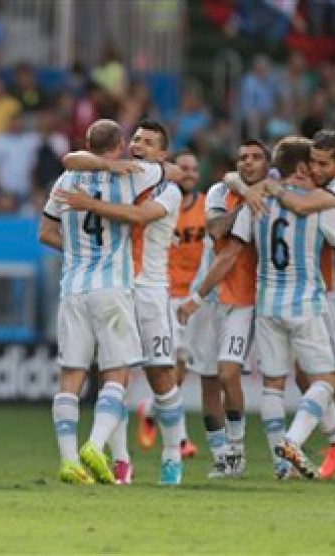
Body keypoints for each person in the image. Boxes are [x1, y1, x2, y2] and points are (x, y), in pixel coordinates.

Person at [183, 136, 335, 480]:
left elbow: (232, 247)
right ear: (301, 166)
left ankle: (283, 466)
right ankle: (293, 443)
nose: (316, 169)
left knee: (273, 385)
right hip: (305, 300)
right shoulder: (321, 204)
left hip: (266, 303)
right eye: (312, 164)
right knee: (325, 379)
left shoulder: (258, 202)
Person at [42, 119, 179, 485]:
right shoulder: (133, 175)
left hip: (72, 286)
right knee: (116, 373)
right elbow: (175, 172)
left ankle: (69, 460)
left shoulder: (65, 181)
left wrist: (81, 253)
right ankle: (96, 444)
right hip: (112, 286)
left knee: (71, 375)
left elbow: (45, 232)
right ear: (120, 144)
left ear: (87, 142)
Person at [178, 140, 270, 479]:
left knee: (228, 373)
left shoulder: (275, 193)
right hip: (208, 297)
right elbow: (216, 229)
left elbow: (230, 252)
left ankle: (237, 450)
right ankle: (221, 456)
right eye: (242, 157)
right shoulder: (220, 190)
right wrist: (246, 199)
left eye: (256, 157)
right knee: (207, 379)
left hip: (242, 300)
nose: (247, 162)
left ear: (268, 164)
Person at [136, 150, 203, 459]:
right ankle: (180, 440)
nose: (188, 173)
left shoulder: (205, 207)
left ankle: (149, 410)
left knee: (181, 366)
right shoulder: (162, 203)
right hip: (164, 292)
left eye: (193, 169)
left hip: (194, 297)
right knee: (169, 362)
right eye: (183, 167)